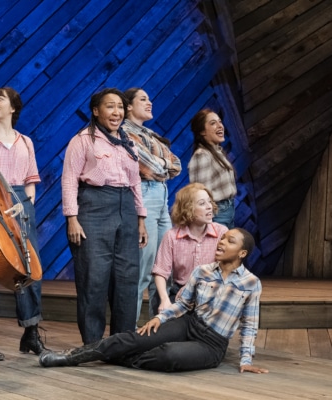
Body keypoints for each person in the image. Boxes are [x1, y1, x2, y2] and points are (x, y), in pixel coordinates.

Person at [39, 227, 269, 375]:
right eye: (222, 238)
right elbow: (183, 305)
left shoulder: (251, 283)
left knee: (168, 355)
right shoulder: (203, 271)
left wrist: (246, 360)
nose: (221, 242)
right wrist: (160, 317)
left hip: (212, 344)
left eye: (230, 241)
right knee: (135, 338)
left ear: (242, 253)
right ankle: (72, 357)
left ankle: (114, 356)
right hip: (189, 323)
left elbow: (250, 324)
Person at [61, 87, 148, 345]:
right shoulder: (82, 140)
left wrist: (140, 219)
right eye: (110, 106)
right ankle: (93, 344)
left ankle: (121, 342)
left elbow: (136, 182)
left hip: (126, 210)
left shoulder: (127, 142)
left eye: (120, 107)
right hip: (94, 207)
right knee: (94, 277)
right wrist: (72, 218)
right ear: (96, 111)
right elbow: (68, 181)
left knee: (127, 277)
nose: (116, 112)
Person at [0, 87, 48, 360]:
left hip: (21, 207)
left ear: (13, 107)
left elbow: (31, 180)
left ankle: (31, 333)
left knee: (29, 269)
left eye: (0, 99)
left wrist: (26, 205)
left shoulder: (26, 141)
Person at [122, 88, 182, 322]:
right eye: (143, 99)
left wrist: (161, 164)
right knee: (143, 270)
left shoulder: (150, 134)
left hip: (161, 198)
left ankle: (158, 327)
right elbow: (152, 168)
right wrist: (161, 164)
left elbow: (176, 165)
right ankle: (129, 331)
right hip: (144, 196)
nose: (150, 103)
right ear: (129, 106)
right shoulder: (125, 132)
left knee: (164, 269)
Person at [152, 182, 228, 313]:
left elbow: (229, 270)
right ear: (188, 209)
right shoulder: (171, 236)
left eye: (209, 202)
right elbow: (160, 272)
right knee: (159, 301)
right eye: (202, 203)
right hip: (181, 292)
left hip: (212, 293)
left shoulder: (222, 232)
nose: (209, 207)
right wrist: (164, 300)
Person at [188, 109, 237, 228]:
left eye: (220, 122)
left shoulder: (217, 152)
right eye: (213, 123)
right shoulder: (202, 155)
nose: (220, 126)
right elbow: (200, 193)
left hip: (228, 209)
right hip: (217, 213)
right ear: (202, 131)